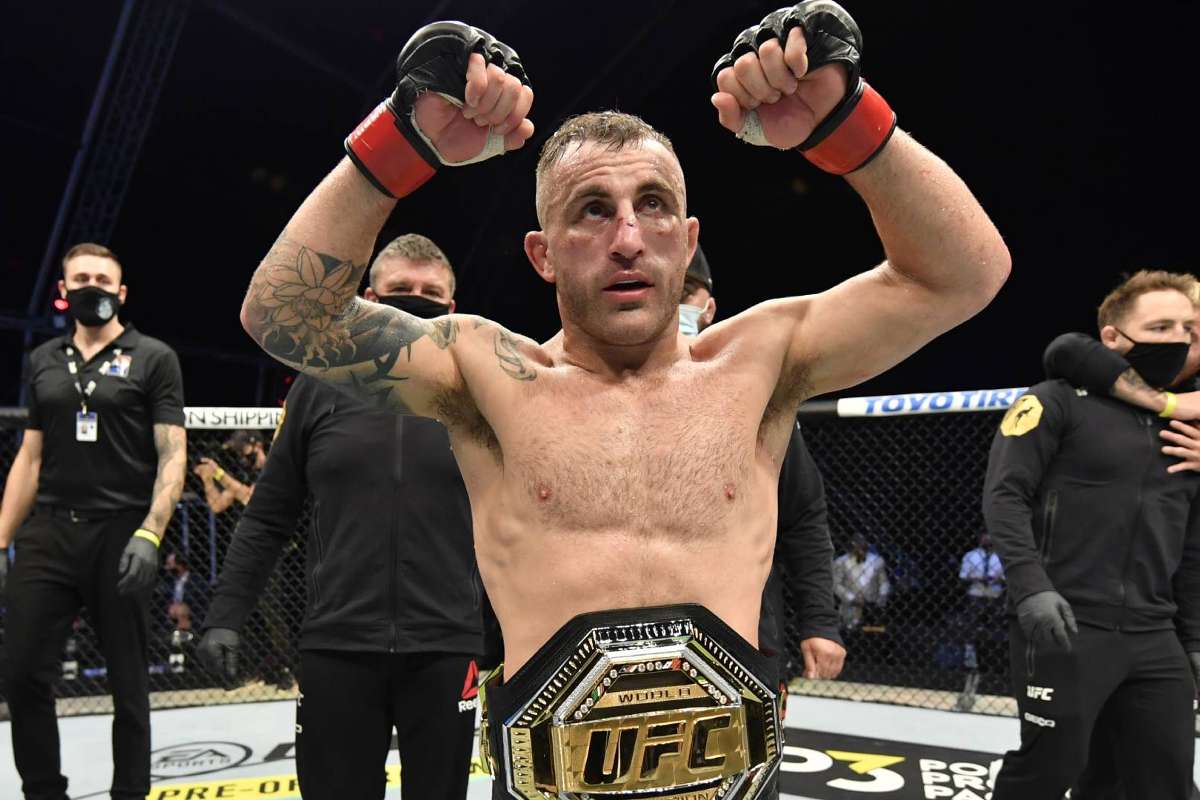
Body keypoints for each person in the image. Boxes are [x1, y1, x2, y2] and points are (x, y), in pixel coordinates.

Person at [238, 6, 1010, 795]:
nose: (630, 239)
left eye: (654, 205)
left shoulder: (760, 363)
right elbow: (282, 315)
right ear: (542, 254)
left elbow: (965, 273)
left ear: (687, 236)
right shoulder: (489, 376)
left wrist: (848, 123)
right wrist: (403, 140)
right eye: (593, 211)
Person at [199, 234, 483, 800]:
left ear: (452, 308)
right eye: (400, 290)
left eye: (429, 294)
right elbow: (268, 516)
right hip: (338, 644)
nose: (414, 302)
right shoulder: (319, 386)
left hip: (447, 645)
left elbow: (522, 518)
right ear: (369, 300)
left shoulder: (479, 391)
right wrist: (225, 613)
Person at [983, 270, 1200, 799]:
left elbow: (1191, 546)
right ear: (1112, 337)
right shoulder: (1058, 400)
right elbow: (1005, 496)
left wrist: (1194, 639)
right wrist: (1031, 588)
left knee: (1167, 778)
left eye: (1188, 328)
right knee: (1048, 768)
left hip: (1155, 631)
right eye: (1161, 327)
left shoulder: (1191, 429)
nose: (1178, 339)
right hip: (1067, 620)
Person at [0, 242, 187, 800]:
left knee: (129, 683)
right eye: (81, 278)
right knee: (22, 672)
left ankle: (129, 793)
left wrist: (151, 532)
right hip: (51, 529)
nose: (92, 287)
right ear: (63, 289)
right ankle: (43, 792)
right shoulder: (43, 359)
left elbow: (172, 454)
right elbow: (30, 456)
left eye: (103, 280)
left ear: (121, 292)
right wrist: (1, 538)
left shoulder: (153, 357)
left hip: (122, 530)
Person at [954, 532, 1004, 710]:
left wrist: (998, 579)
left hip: (995, 597)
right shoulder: (971, 556)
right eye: (985, 536)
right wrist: (976, 578)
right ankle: (971, 662)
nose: (987, 540)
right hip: (975, 596)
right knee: (971, 632)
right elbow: (962, 577)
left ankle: (990, 664)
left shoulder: (1003, 555)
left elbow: (1010, 579)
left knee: (992, 633)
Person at [193, 429, 266, 513]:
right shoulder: (241, 471)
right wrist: (207, 478)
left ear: (258, 446)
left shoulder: (272, 466)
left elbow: (250, 499)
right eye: (238, 452)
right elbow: (216, 506)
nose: (241, 457)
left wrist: (218, 473)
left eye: (242, 450)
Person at [831, 534, 891, 631]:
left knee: (875, 631)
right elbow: (836, 584)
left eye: (863, 548)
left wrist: (882, 596)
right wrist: (852, 598)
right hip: (850, 605)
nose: (860, 551)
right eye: (857, 548)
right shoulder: (841, 562)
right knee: (850, 630)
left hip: (873, 604)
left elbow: (884, 582)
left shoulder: (877, 561)